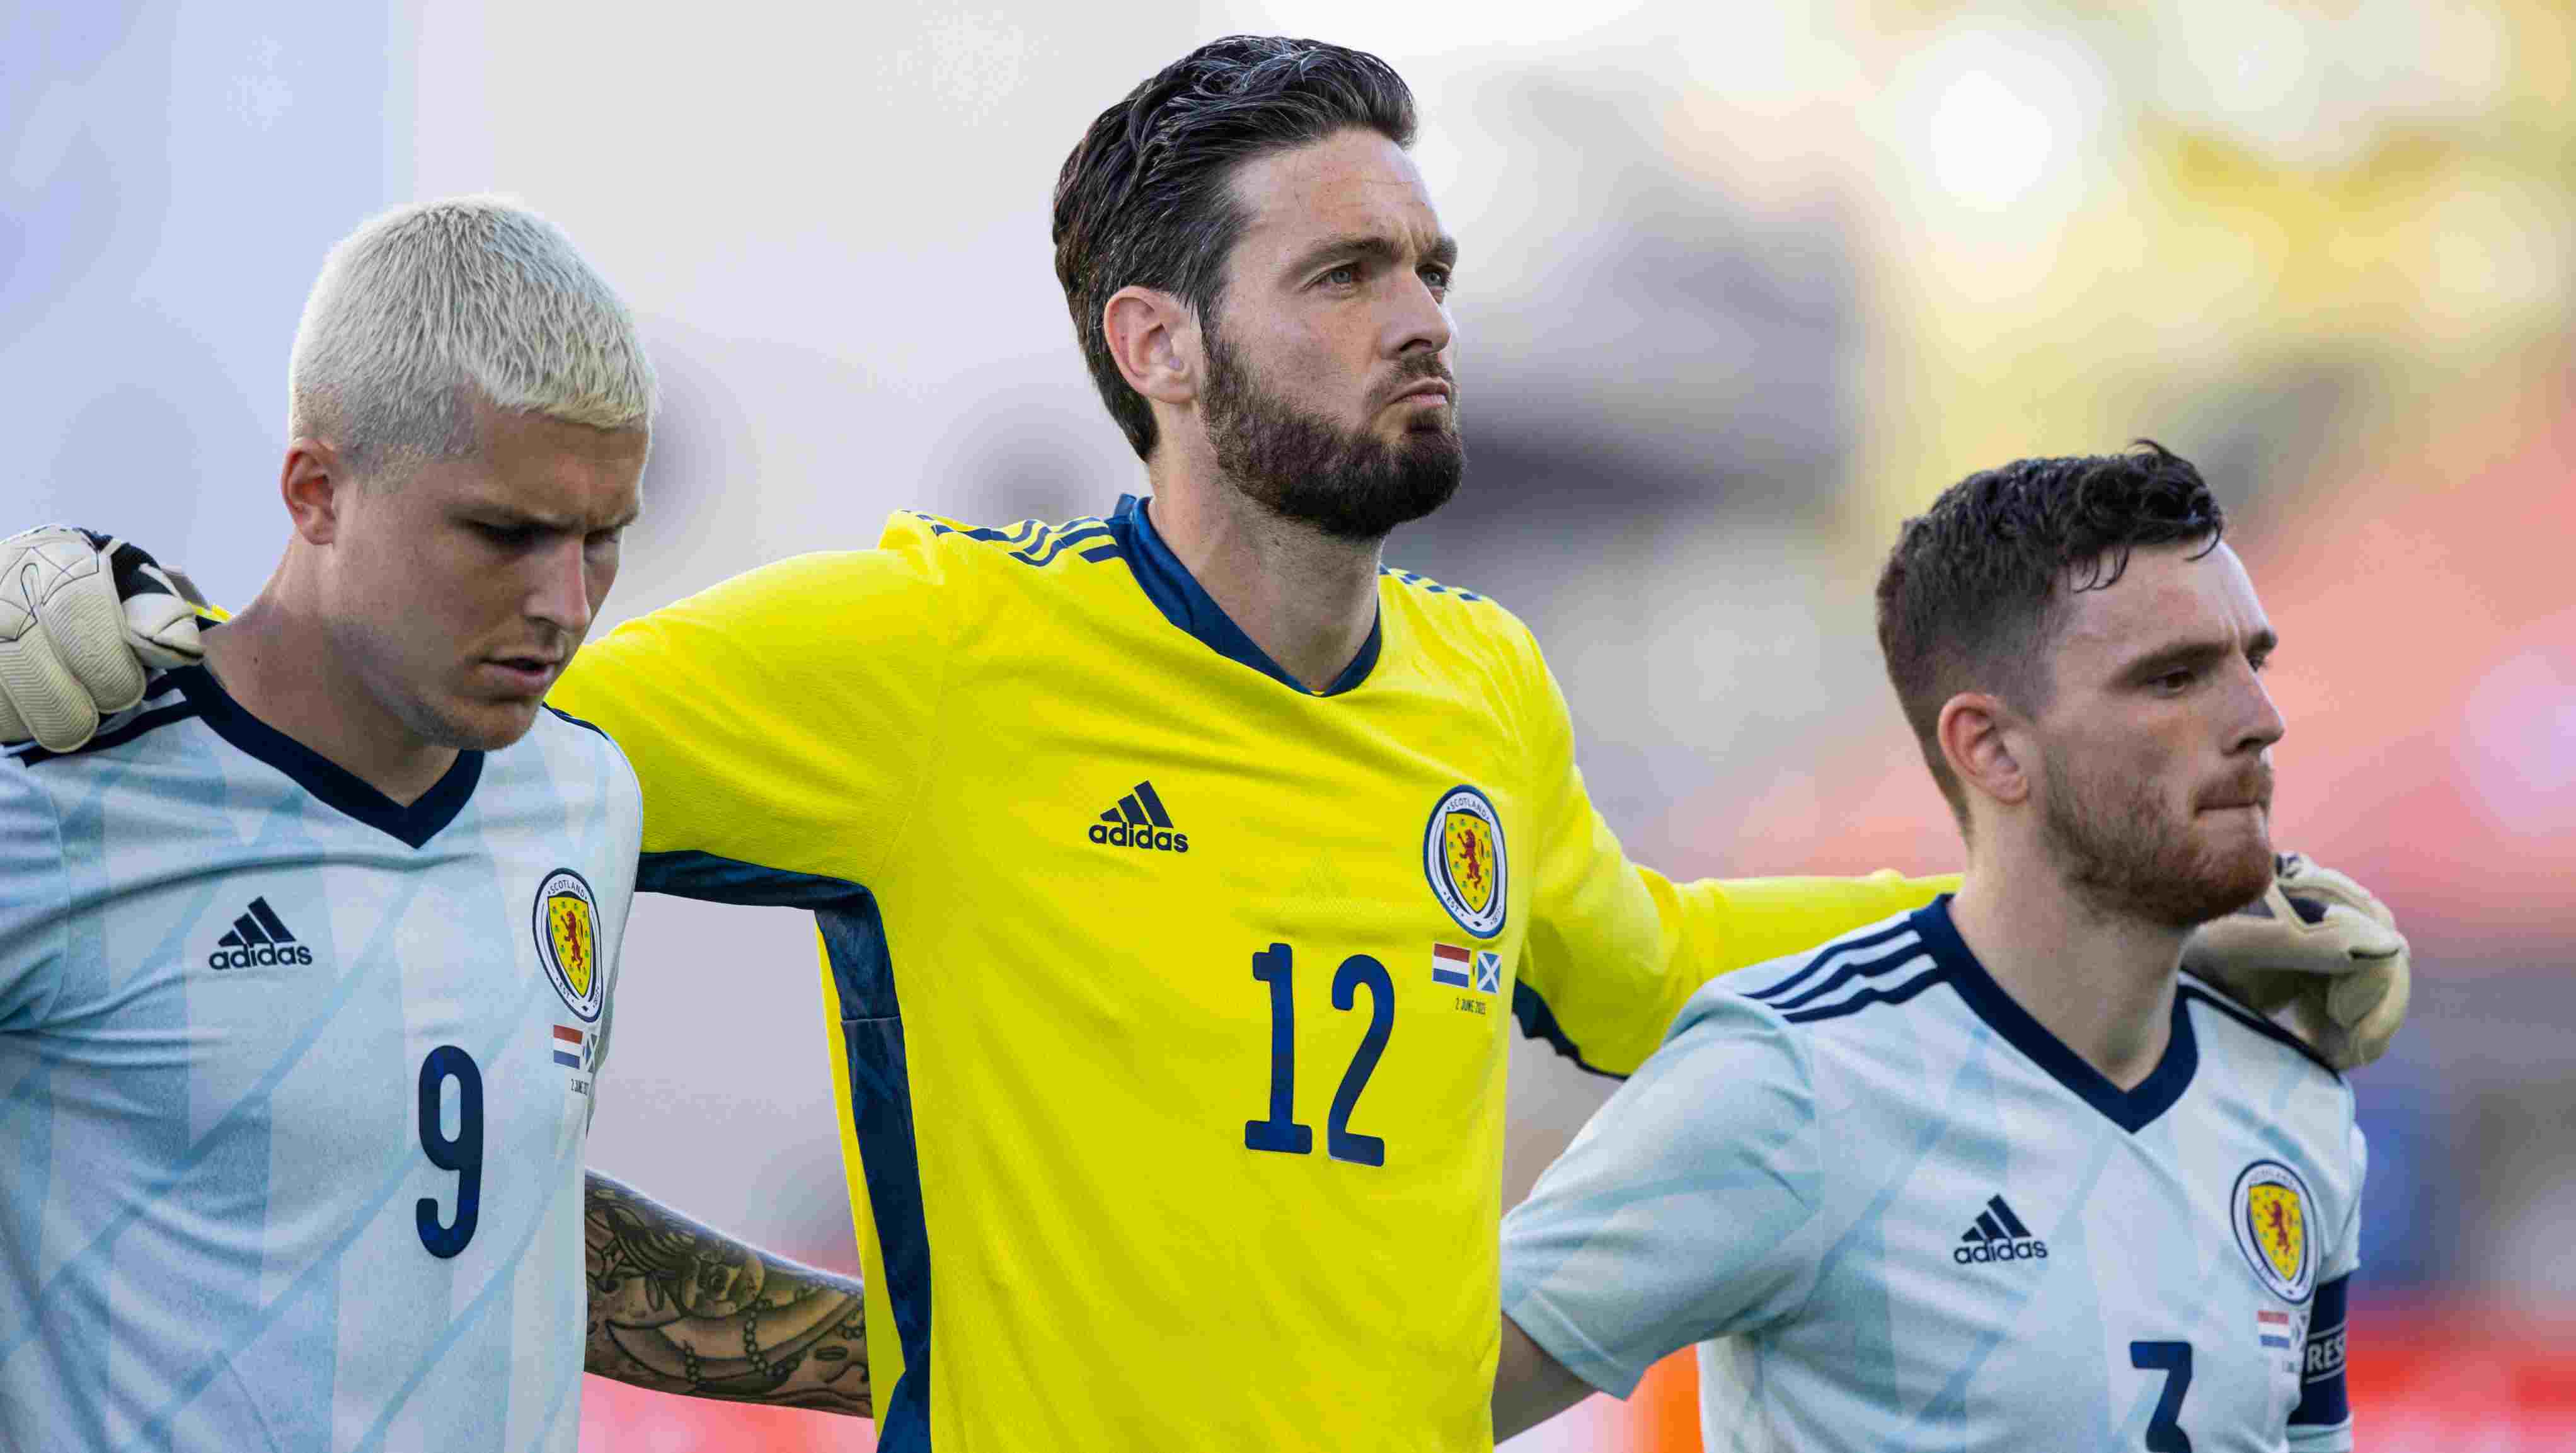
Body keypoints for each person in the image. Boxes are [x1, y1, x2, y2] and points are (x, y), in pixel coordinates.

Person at [0, 43, 2405, 1453]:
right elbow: (408, 680)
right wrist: (100, 610)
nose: (1418, 320)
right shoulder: (930, 653)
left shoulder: (1476, 684)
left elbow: (1638, 956)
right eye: (1344, 275)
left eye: (1432, 270)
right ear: (1155, 343)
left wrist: (2116, 933)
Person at [0, 198, 864, 1452]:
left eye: (601, 540)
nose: (566, 604)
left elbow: (476, 1212)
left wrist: (912, 1343)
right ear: (316, 491)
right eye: (504, 532)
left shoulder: (584, 796)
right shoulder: (62, 792)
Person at [1493, 444, 2366, 1450]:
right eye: (2174, 678)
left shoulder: (2295, 1099)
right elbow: (1416, 1402)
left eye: (2252, 662)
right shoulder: (1789, 1085)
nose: (2262, 720)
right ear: (1990, 747)